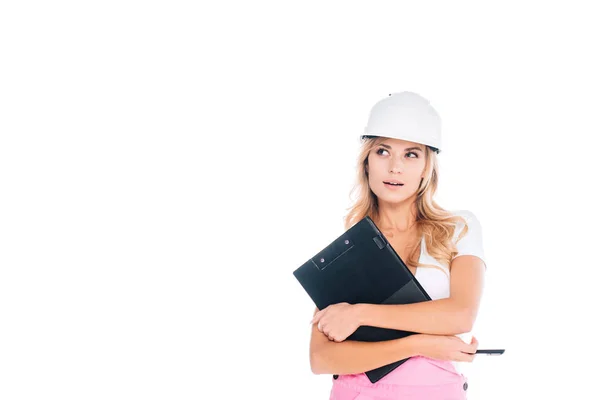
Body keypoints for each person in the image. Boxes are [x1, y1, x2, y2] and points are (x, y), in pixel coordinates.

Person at [309, 92, 487, 400]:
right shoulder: (349, 249)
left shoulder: (458, 228)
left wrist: (359, 313)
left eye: (411, 154)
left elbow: (460, 315)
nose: (395, 168)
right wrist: (418, 343)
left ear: (426, 167)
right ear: (366, 162)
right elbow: (321, 359)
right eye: (383, 151)